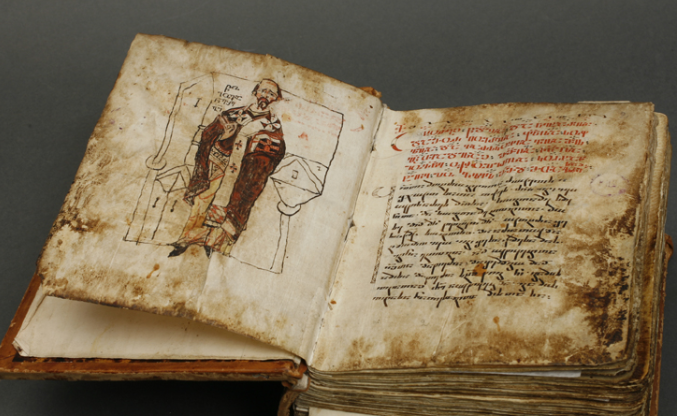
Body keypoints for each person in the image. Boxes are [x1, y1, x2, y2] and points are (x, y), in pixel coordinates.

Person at [169, 79, 285, 258]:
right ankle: (186, 239)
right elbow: (209, 133)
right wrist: (223, 135)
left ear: (276, 99)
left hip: (243, 174)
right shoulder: (233, 113)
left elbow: (276, 152)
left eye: (271, 93)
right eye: (263, 91)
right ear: (255, 92)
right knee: (202, 201)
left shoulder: (273, 125)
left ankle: (214, 245)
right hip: (218, 163)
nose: (266, 96)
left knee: (231, 209)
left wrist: (257, 151)